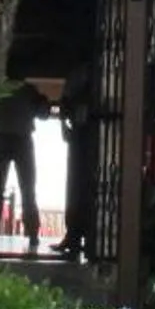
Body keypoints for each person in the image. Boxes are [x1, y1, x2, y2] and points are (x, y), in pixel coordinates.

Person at [0, 79, 50, 253]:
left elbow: (43, 113)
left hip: (11, 138)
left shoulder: (5, 89)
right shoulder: (26, 90)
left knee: (5, 189)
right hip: (15, 139)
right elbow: (44, 114)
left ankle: (28, 235)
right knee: (23, 189)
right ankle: (31, 236)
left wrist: (42, 101)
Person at [58, 62, 101, 263]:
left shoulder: (97, 74)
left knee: (85, 187)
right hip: (81, 134)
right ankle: (74, 237)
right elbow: (64, 103)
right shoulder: (79, 75)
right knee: (76, 186)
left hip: (90, 136)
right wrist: (65, 126)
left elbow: (65, 103)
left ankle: (83, 239)